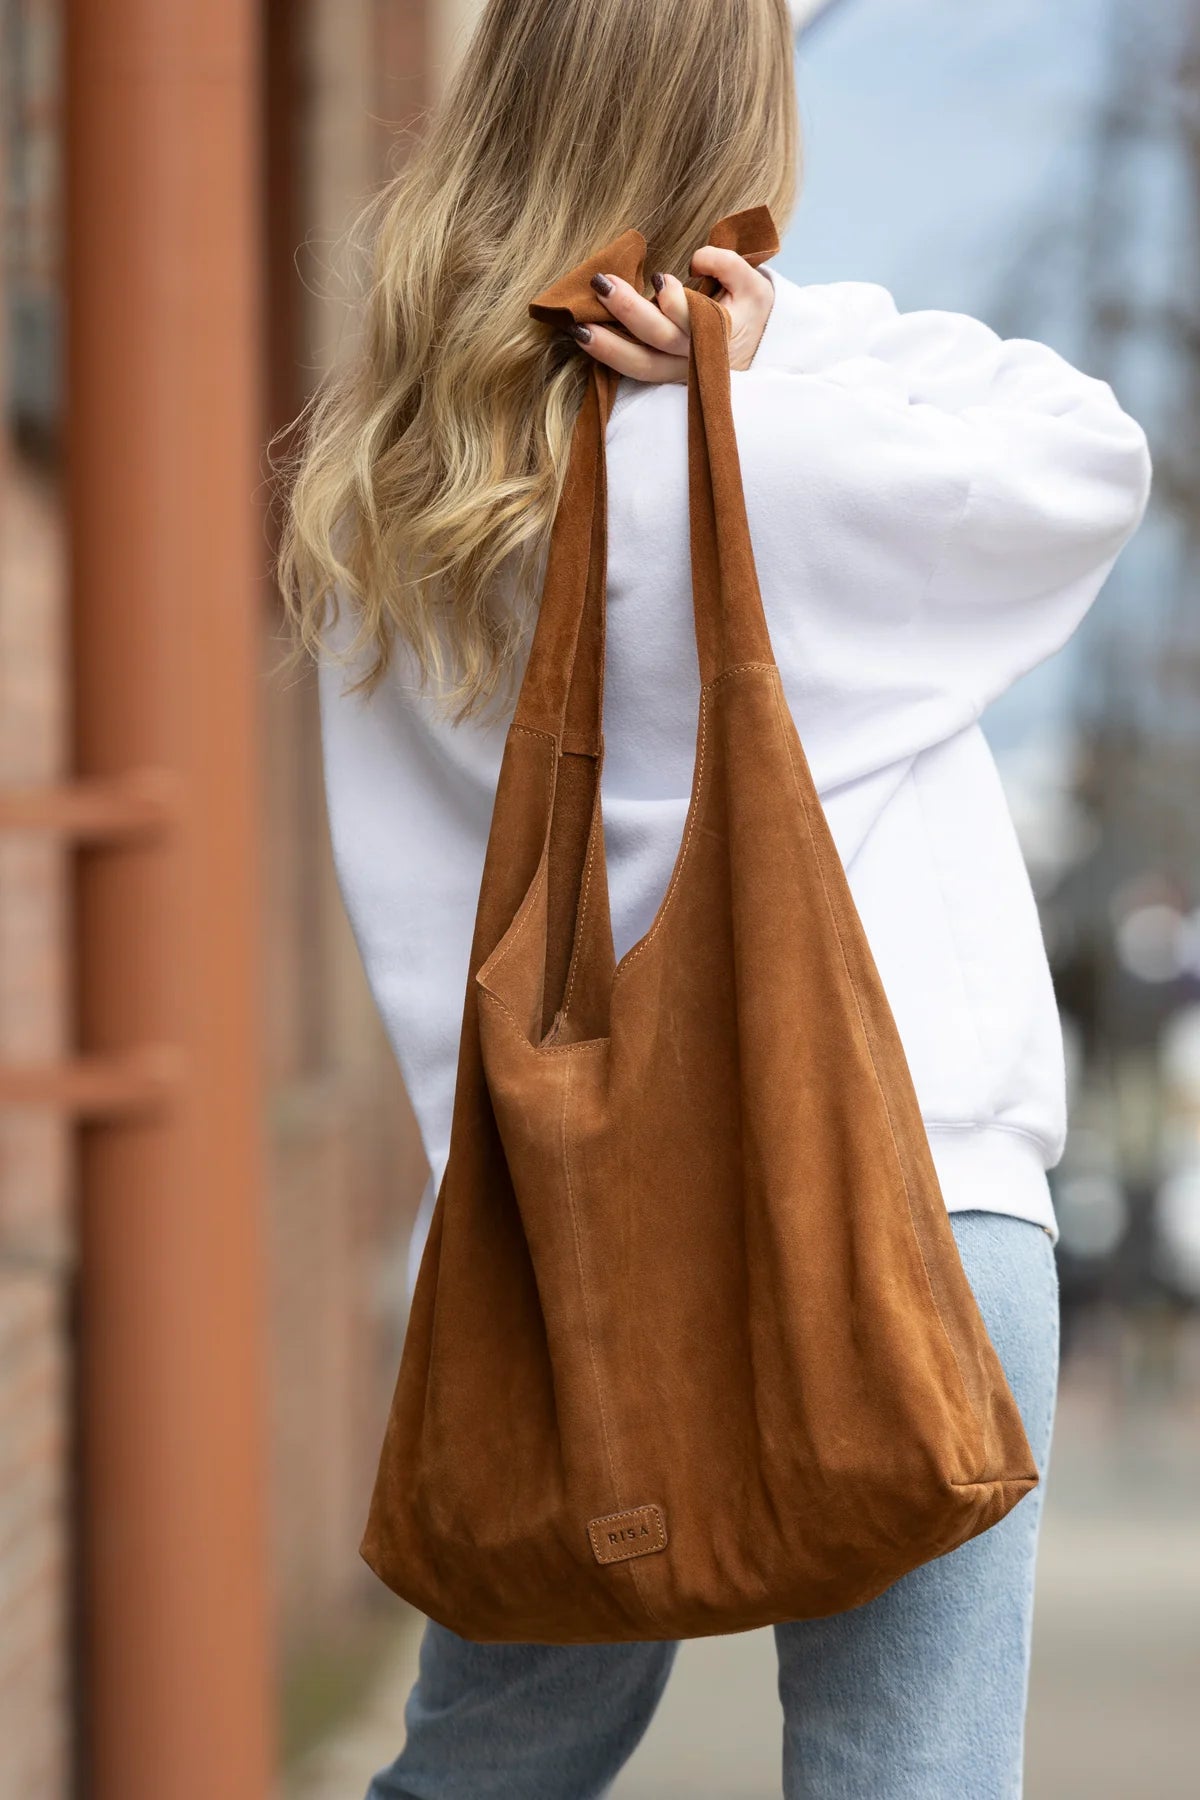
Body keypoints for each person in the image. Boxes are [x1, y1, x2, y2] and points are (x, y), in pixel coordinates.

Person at [278, 2, 1152, 1794]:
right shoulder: (793, 454)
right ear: (740, 131)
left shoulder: (393, 499)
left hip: (573, 1255)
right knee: (904, 1769)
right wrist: (774, 364)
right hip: (904, 1201)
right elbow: (1085, 455)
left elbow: (418, 916)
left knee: (487, 1767)